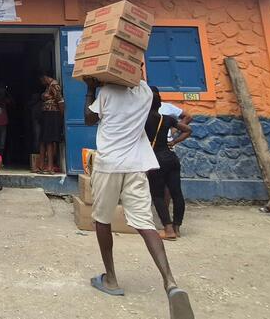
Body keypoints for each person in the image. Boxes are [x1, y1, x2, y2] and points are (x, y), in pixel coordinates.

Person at [82, 76, 194, 318]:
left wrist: (91, 89)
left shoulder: (107, 92)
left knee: (102, 219)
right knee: (145, 223)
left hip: (109, 164)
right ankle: (170, 282)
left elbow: (88, 119)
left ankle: (111, 279)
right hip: (136, 164)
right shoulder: (145, 92)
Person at [145, 87, 192, 240]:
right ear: (159, 105)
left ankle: (168, 229)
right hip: (171, 158)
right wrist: (175, 141)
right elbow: (187, 129)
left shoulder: (142, 120)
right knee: (176, 192)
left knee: (157, 195)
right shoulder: (167, 119)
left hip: (155, 159)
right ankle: (177, 228)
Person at [38, 71, 64, 174]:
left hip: (52, 115)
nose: (41, 82)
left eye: (41, 80)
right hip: (46, 115)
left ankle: (50, 167)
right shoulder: (48, 86)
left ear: (45, 77)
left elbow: (60, 101)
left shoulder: (54, 85)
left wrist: (61, 117)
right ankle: (41, 165)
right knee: (43, 140)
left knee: (49, 140)